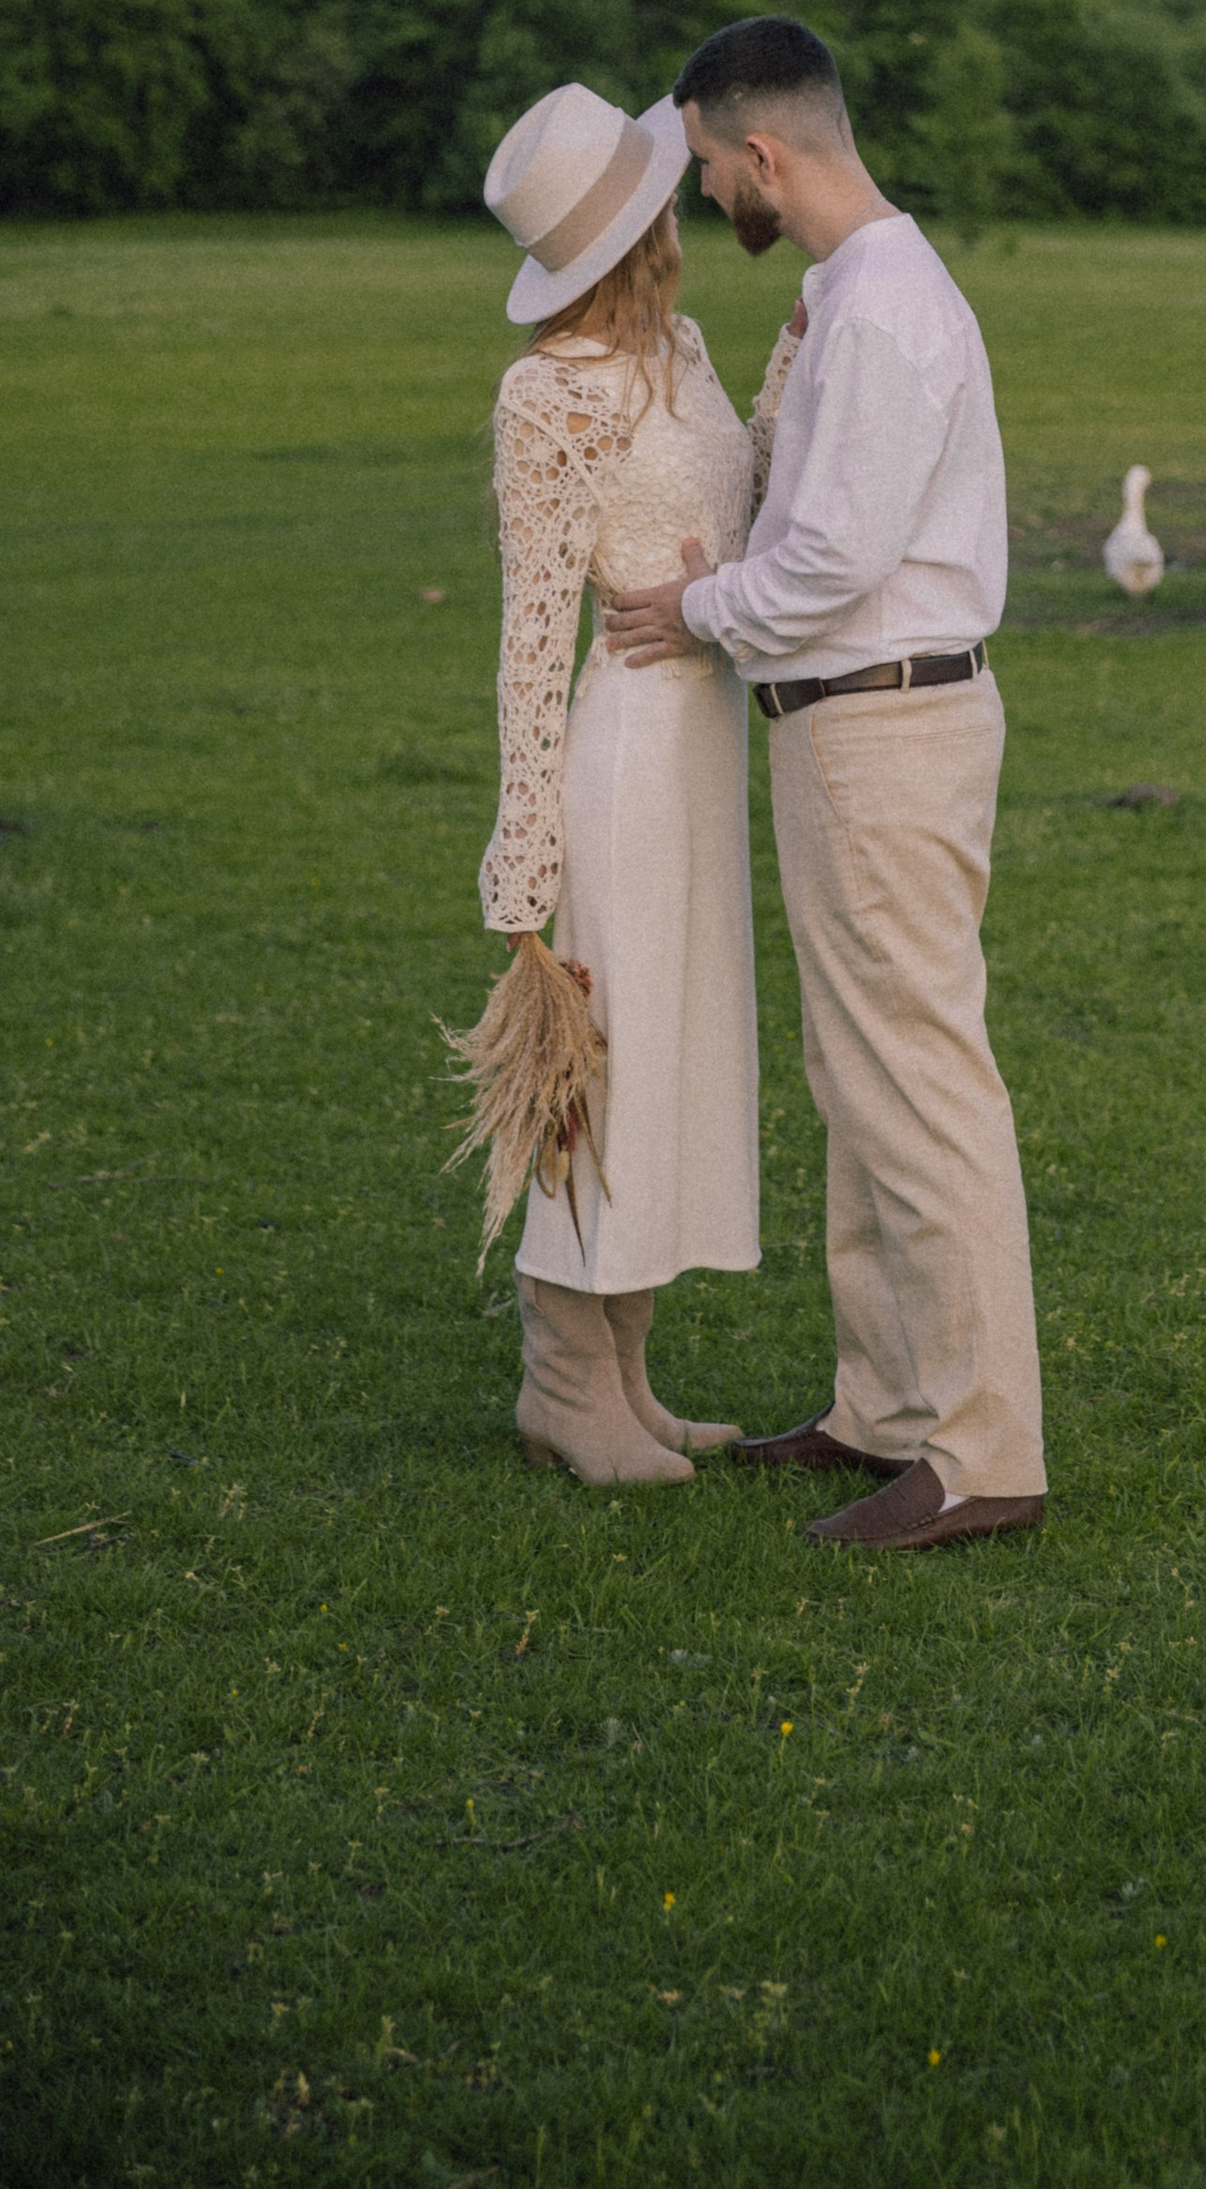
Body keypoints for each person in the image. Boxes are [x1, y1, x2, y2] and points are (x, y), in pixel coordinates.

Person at [604, 15, 1045, 1555]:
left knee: (920, 1083)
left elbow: (834, 562)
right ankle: (884, 1405)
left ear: (764, 153)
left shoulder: (881, 311)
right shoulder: (852, 293)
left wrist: (692, 611)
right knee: (861, 1081)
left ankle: (984, 1452)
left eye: (712, 164)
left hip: (882, 720)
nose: (708, 192)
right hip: (851, 720)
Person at [478, 82, 760, 1483]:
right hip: (626, 759)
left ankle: (629, 1378)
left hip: (709, 744)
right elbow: (535, 637)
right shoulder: (548, 395)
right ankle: (562, 1385)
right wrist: (524, 862)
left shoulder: (690, 346)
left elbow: (741, 510)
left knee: (679, 1054)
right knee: (610, 1064)